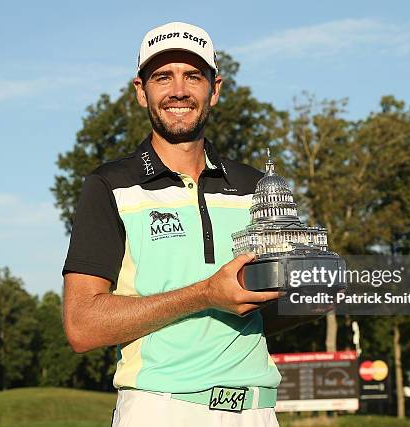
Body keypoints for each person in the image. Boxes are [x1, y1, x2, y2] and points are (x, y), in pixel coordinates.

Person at [62, 21, 283, 426]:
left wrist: (314, 289)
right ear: (141, 91)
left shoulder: (255, 185)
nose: (178, 90)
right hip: (161, 409)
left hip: (257, 411)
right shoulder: (108, 185)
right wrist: (204, 294)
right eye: (163, 77)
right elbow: (81, 325)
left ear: (215, 90)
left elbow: (274, 306)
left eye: (192, 76)